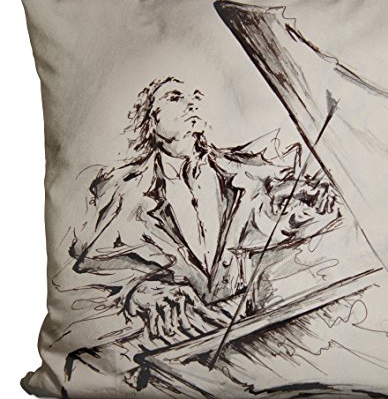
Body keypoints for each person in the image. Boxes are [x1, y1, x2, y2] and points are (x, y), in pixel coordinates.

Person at [67, 75, 340, 352]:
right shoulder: (125, 189)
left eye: (195, 97)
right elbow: (85, 269)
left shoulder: (245, 173)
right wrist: (137, 293)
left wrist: (311, 209)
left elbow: (278, 225)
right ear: (150, 119)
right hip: (169, 339)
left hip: (250, 327)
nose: (191, 104)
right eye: (175, 97)